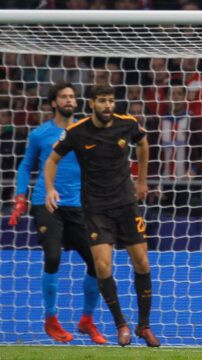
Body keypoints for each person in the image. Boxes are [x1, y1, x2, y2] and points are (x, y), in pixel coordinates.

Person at [43, 85, 160, 347]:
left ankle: (144, 326)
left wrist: (141, 181)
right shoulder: (76, 132)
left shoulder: (127, 124)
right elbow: (52, 160)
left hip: (126, 205)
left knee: (142, 263)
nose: (108, 106)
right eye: (102, 101)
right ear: (92, 103)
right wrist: (50, 189)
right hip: (95, 209)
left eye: (111, 101)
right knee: (103, 266)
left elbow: (142, 142)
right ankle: (121, 325)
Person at [8, 81, 105, 344]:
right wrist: (20, 197)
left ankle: (86, 320)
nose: (69, 101)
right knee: (53, 256)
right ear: (53, 103)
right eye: (63, 97)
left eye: (72, 96)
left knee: (98, 263)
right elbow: (26, 166)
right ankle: (50, 319)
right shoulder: (40, 134)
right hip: (46, 203)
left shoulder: (86, 131)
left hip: (78, 206)